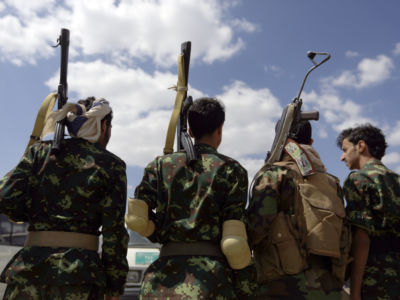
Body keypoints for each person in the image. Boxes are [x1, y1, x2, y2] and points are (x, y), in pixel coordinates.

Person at [0, 97, 129, 300]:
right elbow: (114, 233)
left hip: (29, 270)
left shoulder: (39, 152)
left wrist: (33, 213)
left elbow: (5, 197)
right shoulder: (112, 165)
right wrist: (114, 286)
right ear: (103, 125)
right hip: (80, 277)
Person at [125, 97, 251, 299]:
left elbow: (137, 220)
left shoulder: (159, 165)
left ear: (190, 131)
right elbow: (234, 243)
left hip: (160, 282)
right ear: (220, 129)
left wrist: (160, 232)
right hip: (212, 282)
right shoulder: (232, 170)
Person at [248, 120, 350, 299]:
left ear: (280, 141)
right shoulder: (333, 184)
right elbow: (345, 237)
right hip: (329, 289)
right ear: (311, 143)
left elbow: (256, 231)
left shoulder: (274, 175)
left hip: (282, 288)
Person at [337, 123, 400, 300]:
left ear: (361, 146)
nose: (342, 157)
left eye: (345, 149)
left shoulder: (359, 179)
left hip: (376, 277)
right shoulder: (397, 179)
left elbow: (362, 238)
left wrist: (355, 292)